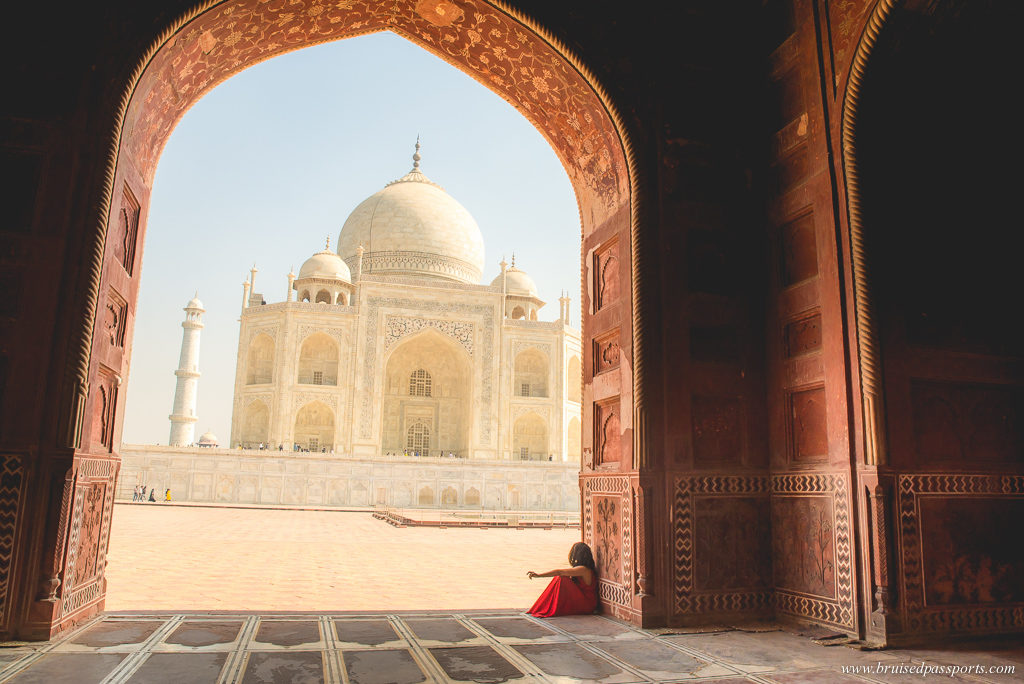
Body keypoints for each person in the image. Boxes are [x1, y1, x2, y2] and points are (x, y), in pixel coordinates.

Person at [526, 541, 598, 617]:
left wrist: (539, 575)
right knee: (561, 577)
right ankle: (546, 606)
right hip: (586, 602)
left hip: (587, 605)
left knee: (562, 578)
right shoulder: (584, 569)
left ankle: (549, 606)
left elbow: (559, 572)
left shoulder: (583, 569)